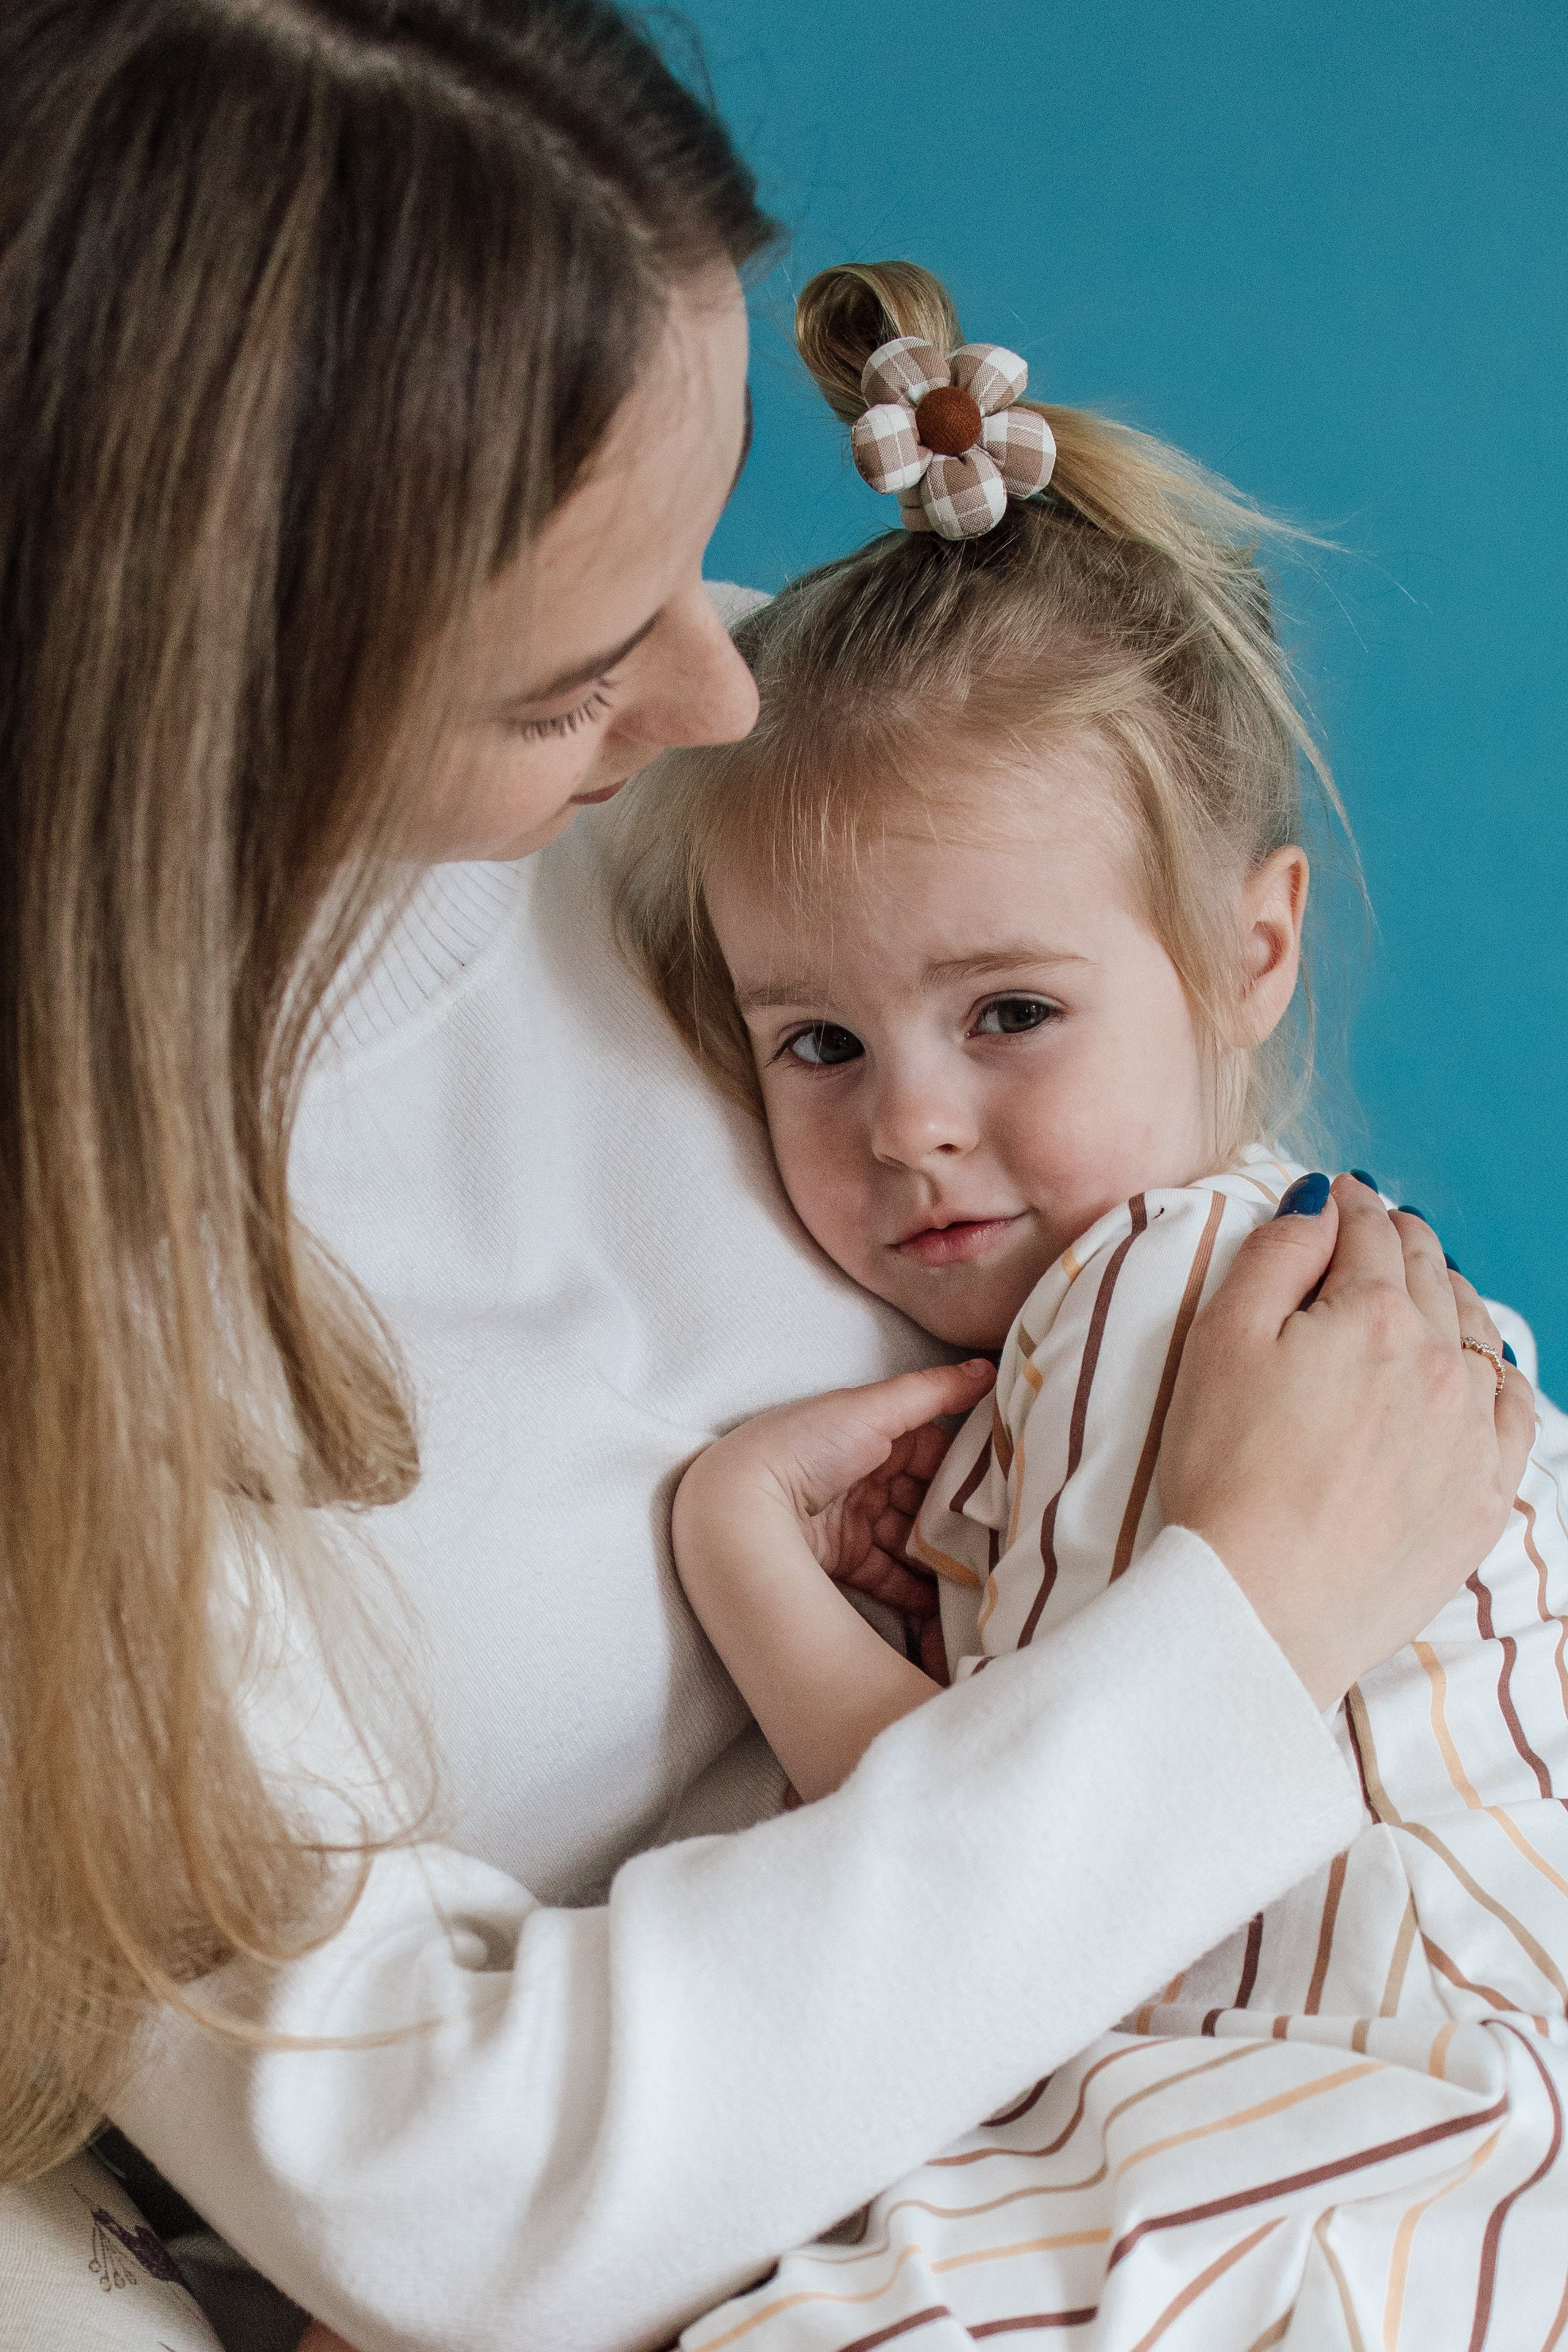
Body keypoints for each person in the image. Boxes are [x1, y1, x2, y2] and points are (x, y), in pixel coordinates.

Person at [0, 9, 1535, 2351]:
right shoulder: (91, 1317)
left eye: (698, 553)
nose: (722, 704)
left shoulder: (694, 817)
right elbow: (446, 2198)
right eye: (571, 674)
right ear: (221, 685)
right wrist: (1236, 1621)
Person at [614, 263, 1568, 2348]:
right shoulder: (1340, 1287)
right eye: (816, 1044)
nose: (915, 1129)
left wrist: (739, 1555)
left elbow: (999, 1881)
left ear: (1250, 951)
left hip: (1355, 2120)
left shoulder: (1149, 1304)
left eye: (1012, 1012)